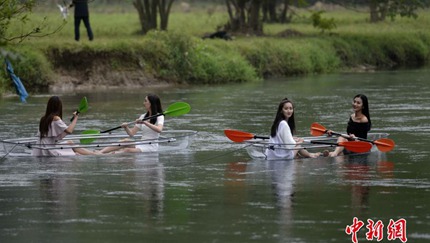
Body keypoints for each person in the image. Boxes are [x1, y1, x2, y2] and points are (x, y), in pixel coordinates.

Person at [32, 96, 99, 156]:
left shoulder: (43, 118)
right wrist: (75, 118)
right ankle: (94, 154)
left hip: (40, 148)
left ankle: (93, 153)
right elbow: (69, 130)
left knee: (70, 142)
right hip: (48, 149)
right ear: (58, 107)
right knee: (74, 150)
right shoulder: (55, 118)